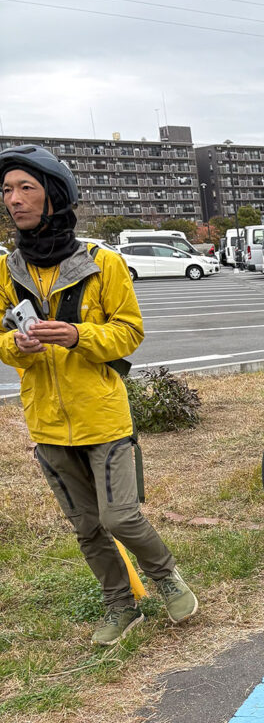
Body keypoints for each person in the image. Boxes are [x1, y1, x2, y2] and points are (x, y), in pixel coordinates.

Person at [0, 144, 197, 645]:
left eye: (26, 188)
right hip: (46, 421)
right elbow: (0, 340)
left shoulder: (101, 262)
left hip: (103, 418)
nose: (14, 200)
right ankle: (120, 606)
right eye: (7, 190)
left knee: (119, 516)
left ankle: (165, 574)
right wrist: (18, 345)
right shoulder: (7, 271)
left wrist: (78, 336)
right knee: (86, 527)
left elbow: (129, 332)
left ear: (55, 196)